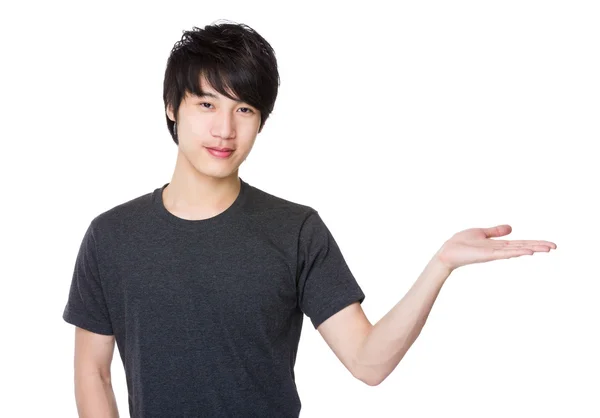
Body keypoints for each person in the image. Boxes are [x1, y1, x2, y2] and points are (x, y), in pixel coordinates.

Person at [62, 20, 557, 418]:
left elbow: (368, 362)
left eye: (245, 109)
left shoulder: (295, 230)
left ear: (261, 120)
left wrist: (440, 265)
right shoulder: (112, 236)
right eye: (206, 104)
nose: (224, 129)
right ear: (172, 107)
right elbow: (94, 373)